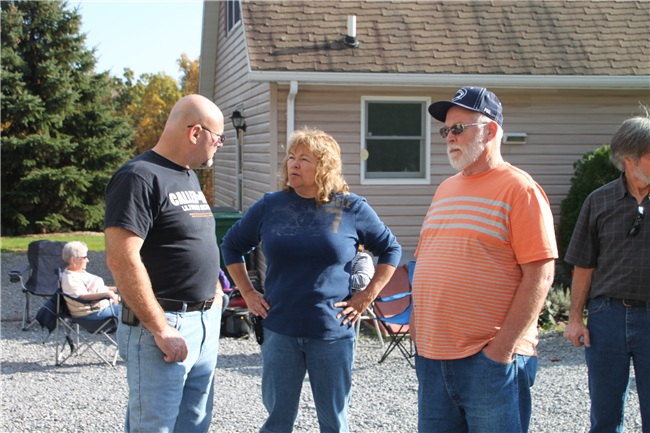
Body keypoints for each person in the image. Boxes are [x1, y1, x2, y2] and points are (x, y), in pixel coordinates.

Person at [221, 126, 402, 433]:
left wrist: (366, 296)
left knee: (333, 422)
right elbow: (231, 245)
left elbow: (391, 250)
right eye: (291, 157)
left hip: (331, 332)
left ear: (325, 166)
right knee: (277, 421)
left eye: (304, 159)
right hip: (280, 329)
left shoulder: (351, 207)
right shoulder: (270, 205)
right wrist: (248, 293)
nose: (293, 164)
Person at [411, 86, 558, 432]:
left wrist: (501, 351)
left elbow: (541, 275)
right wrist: (418, 331)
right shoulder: (445, 189)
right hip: (433, 359)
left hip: (488, 362)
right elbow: (428, 261)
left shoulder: (520, 189)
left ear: (490, 131)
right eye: (445, 131)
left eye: (458, 129)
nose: (449, 137)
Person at [104, 94, 226, 433]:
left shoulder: (187, 176)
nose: (219, 146)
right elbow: (121, 258)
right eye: (218, 138)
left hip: (203, 321)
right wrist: (160, 328)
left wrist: (215, 294)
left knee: (194, 423)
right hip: (164, 326)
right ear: (196, 133)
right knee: (154, 427)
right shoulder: (138, 177)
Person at [563, 111, 649, 432]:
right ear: (630, 159)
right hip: (606, 318)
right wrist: (575, 319)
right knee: (605, 417)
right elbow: (583, 264)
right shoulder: (598, 201)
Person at [60, 241, 119, 319]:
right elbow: (82, 297)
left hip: (105, 305)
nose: (87, 260)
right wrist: (107, 294)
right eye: (84, 257)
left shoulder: (79, 272)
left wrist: (119, 289)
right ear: (73, 260)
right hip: (93, 312)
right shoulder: (70, 279)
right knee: (130, 311)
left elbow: (96, 289)